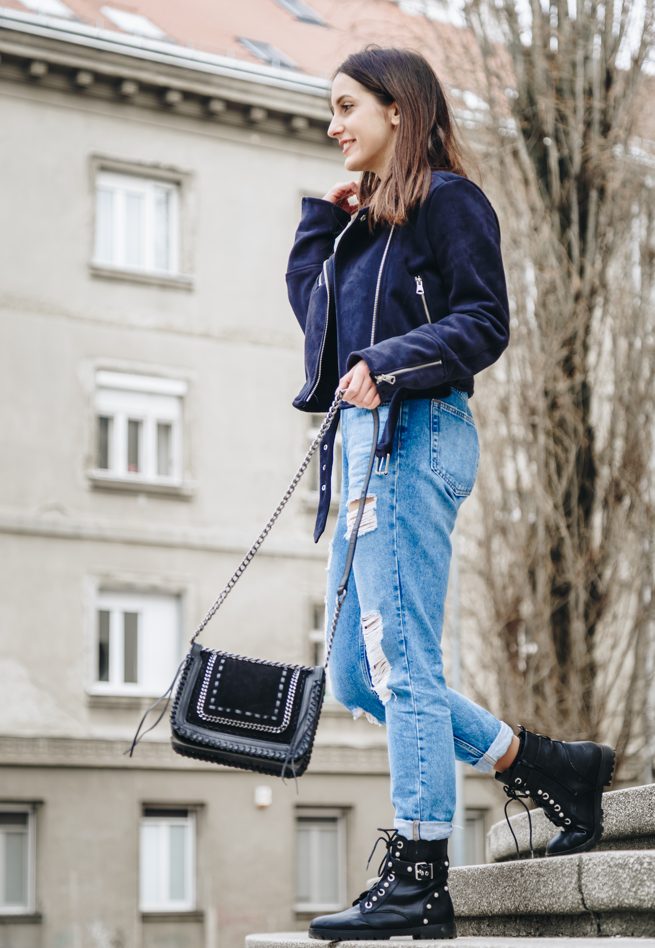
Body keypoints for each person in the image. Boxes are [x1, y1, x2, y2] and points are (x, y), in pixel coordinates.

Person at [285, 45, 615, 941]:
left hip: (416, 433)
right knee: (358, 670)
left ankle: (420, 870)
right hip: (359, 448)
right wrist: (326, 221)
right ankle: (543, 762)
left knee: (406, 661)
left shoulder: (449, 202)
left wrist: (386, 365)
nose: (333, 123)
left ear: (399, 109)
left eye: (347, 105)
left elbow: (483, 321)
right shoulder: (366, 223)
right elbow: (320, 338)